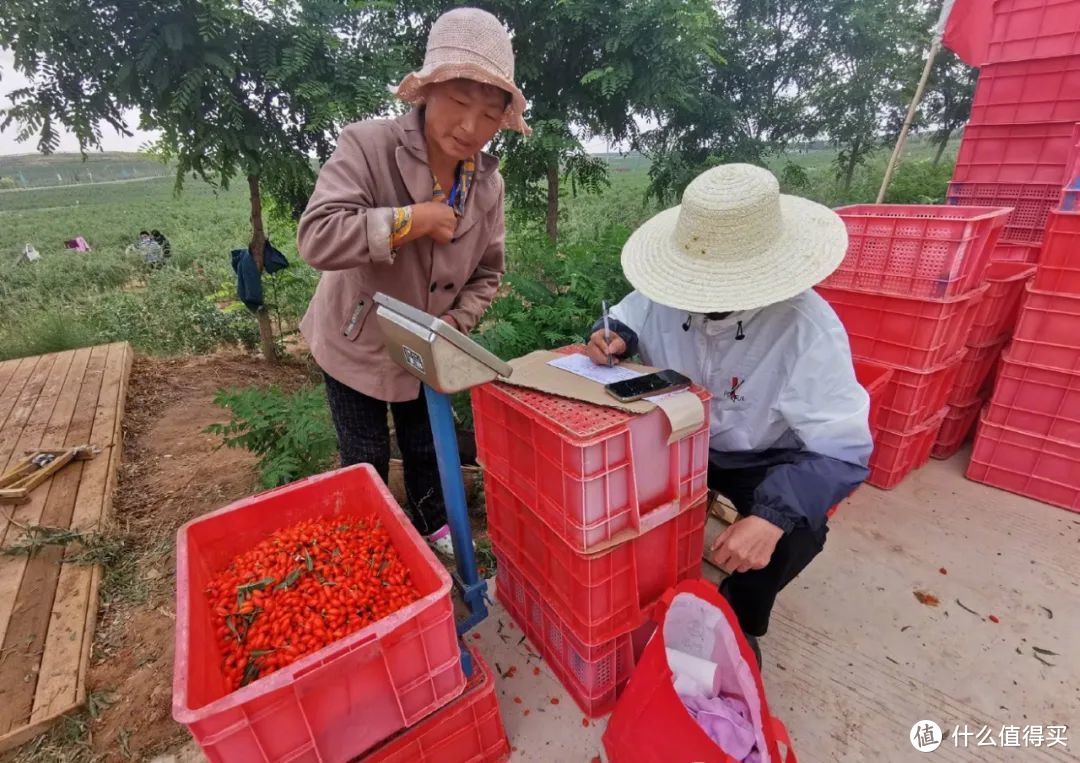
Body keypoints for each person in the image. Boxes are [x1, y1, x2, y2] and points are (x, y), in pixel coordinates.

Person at [586, 163, 872, 664]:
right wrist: (614, 335)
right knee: (607, 497)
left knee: (795, 533)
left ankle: (742, 620)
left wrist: (770, 517)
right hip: (675, 437)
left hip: (757, 456)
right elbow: (627, 315)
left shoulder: (807, 328)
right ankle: (636, 592)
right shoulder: (663, 294)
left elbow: (841, 449)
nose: (703, 298)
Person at [297, 8, 528, 556]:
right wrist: (410, 220)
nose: (471, 128)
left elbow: (488, 273)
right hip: (358, 339)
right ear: (427, 92)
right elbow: (317, 238)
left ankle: (435, 535)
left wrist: (452, 324)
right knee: (365, 452)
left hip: (428, 345)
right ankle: (367, 546)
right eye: (459, 103)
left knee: (428, 446)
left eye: (490, 113)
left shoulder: (487, 186)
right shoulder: (368, 146)